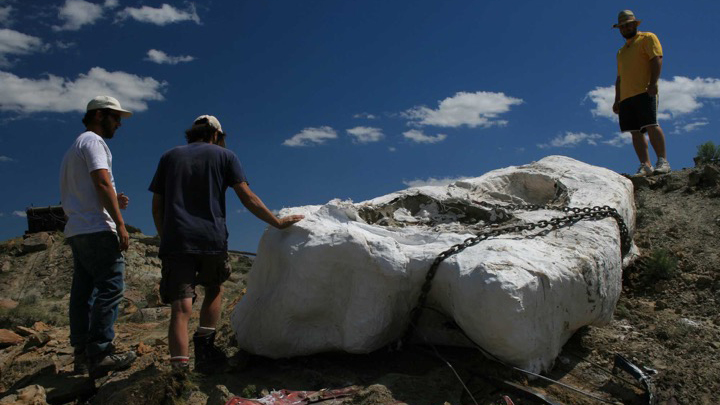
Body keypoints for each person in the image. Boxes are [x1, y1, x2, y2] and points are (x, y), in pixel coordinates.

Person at [149, 115, 304, 373]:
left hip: (177, 240)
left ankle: (179, 370)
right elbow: (247, 196)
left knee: (180, 305)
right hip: (211, 238)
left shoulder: (169, 157)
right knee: (214, 289)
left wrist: (165, 237)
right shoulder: (225, 157)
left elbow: (157, 205)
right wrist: (276, 222)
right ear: (216, 135)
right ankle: (206, 350)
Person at [59, 95, 137, 379]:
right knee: (110, 287)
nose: (119, 124)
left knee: (82, 293)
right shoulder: (93, 142)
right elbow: (101, 179)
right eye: (116, 118)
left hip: (77, 230)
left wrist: (113, 199)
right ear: (100, 115)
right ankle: (101, 353)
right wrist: (120, 222)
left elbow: (89, 190)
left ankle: (81, 354)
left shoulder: (74, 148)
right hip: (97, 229)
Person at [612, 10, 671, 177]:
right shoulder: (621, 52)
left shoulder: (648, 38)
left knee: (651, 124)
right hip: (626, 97)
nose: (625, 28)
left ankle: (663, 161)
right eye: (622, 26)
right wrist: (617, 100)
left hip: (644, 90)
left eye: (628, 24)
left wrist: (653, 83)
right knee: (634, 131)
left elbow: (656, 58)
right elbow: (619, 77)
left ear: (635, 24)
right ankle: (645, 165)